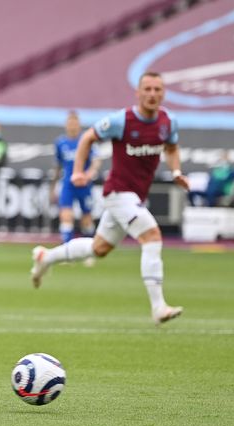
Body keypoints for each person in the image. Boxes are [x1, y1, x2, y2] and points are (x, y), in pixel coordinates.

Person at [30, 71, 189, 325]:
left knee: (99, 248)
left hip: (135, 197)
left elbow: (171, 147)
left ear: (163, 93)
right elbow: (87, 137)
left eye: (157, 90)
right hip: (117, 193)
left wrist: (177, 171)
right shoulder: (121, 121)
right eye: (147, 89)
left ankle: (45, 258)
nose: (152, 94)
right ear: (137, 93)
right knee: (151, 236)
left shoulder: (168, 122)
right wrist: (79, 171)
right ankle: (158, 307)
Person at [50, 111, 102, 244]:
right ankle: (67, 250)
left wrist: (89, 174)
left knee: (87, 218)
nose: (72, 126)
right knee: (66, 215)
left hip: (84, 185)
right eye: (70, 123)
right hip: (68, 184)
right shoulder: (60, 143)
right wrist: (53, 187)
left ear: (79, 125)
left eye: (75, 123)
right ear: (66, 125)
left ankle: (90, 251)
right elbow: (57, 166)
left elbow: (97, 160)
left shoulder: (86, 140)